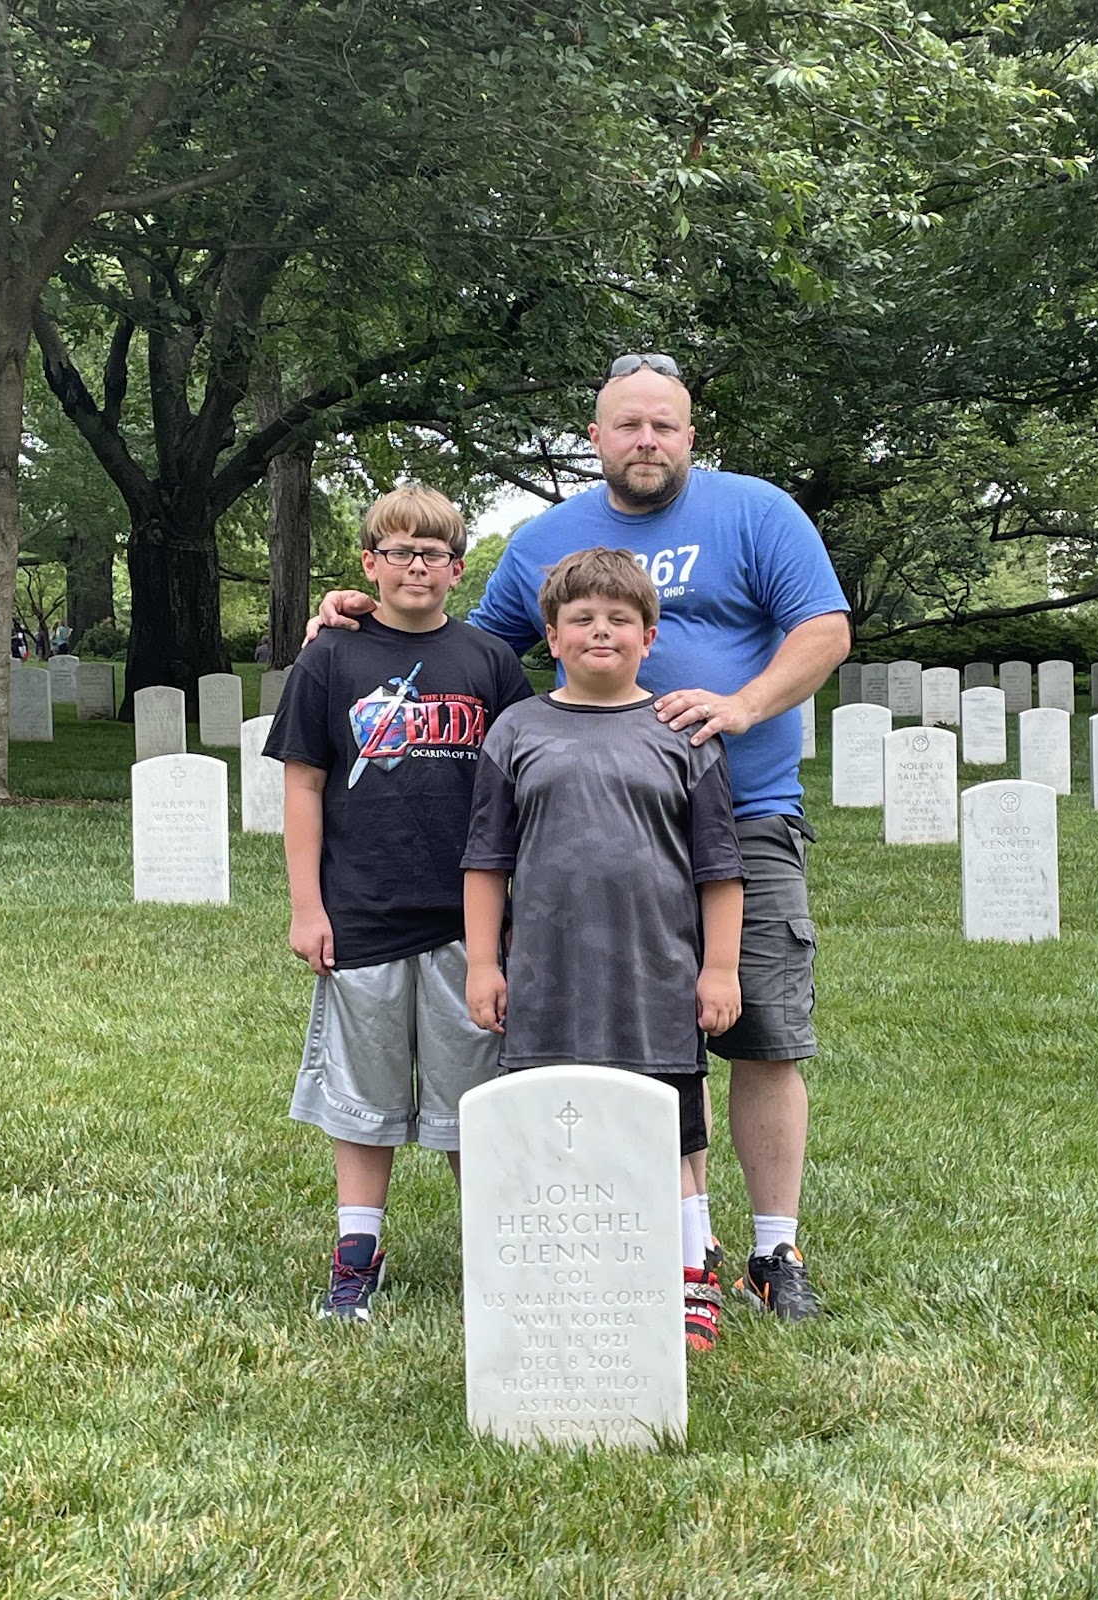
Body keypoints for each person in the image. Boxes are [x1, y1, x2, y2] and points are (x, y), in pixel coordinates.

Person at [311, 354, 851, 1320]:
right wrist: (370, 618)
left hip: (742, 812)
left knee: (761, 1029)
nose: (647, 441)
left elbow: (825, 631)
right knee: (618, 1035)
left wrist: (740, 706)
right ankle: (653, 1236)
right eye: (628, 425)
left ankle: (776, 1250)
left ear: (690, 435)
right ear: (595, 438)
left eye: (665, 425)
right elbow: (467, 651)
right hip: (584, 844)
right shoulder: (546, 540)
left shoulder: (758, 513)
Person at [263, 483, 533, 1324]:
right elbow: (304, 786)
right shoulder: (330, 660)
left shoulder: (489, 661)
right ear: (369, 564)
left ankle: (494, 1249)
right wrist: (307, 907)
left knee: (474, 1097)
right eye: (399, 552)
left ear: (458, 568)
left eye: (433, 553)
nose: (416, 566)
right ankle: (357, 1252)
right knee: (364, 1097)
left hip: (467, 922)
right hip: (362, 912)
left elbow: (523, 784)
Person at [462, 548, 744, 1353]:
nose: (600, 632)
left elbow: (721, 867)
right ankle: (567, 1271)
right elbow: (486, 861)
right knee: (551, 1124)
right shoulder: (516, 731)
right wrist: (483, 964)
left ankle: (691, 1275)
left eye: (620, 619)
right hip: (545, 976)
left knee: (674, 1133)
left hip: (656, 973)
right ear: (551, 637)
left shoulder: (683, 734)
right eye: (581, 619)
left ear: (648, 637)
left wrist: (719, 969)